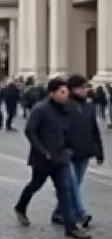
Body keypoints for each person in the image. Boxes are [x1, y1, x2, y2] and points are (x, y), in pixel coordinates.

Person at [13, 77, 91, 239]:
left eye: (66, 92)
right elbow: (30, 131)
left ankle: (71, 227)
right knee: (35, 185)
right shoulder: (40, 109)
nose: (66, 95)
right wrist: (43, 151)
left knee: (65, 190)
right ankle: (21, 207)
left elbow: (69, 131)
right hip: (42, 159)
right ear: (52, 93)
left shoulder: (66, 109)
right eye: (62, 92)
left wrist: (69, 150)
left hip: (60, 158)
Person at [50, 75, 104, 226]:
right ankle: (80, 213)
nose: (86, 90)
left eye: (86, 87)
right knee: (72, 184)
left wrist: (99, 151)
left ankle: (59, 212)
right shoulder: (65, 105)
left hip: (84, 152)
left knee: (74, 184)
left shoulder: (89, 105)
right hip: (68, 152)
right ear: (73, 89)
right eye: (82, 87)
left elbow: (94, 130)